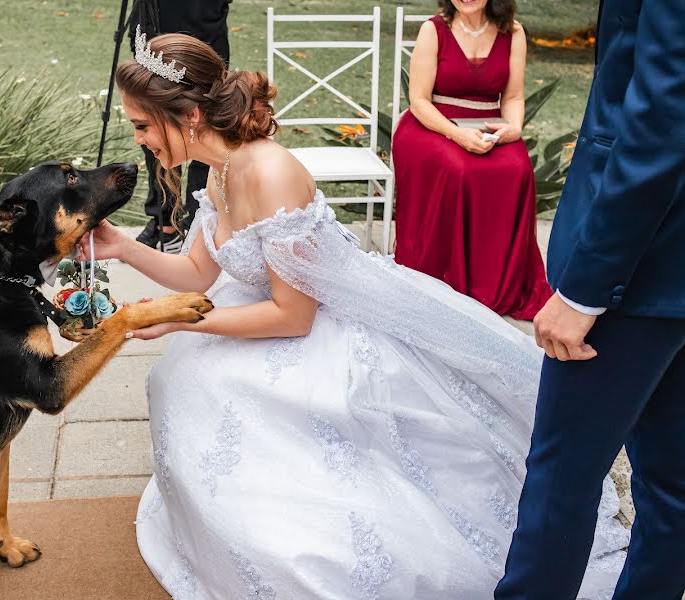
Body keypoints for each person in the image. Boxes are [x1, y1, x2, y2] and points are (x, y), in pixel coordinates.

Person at [80, 30, 629, 598]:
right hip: (271, 309)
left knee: (214, 389)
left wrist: (181, 320)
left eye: (142, 125)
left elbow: (293, 316)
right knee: (182, 379)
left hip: (323, 325)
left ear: (189, 116)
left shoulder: (269, 172)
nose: (140, 140)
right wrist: (122, 245)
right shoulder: (218, 171)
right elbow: (199, 273)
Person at [496, 0, 685, 597]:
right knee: (674, 485)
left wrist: (586, 289)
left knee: (563, 476)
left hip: (641, 264)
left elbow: (662, 120)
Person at [391, 0, 552, 321]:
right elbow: (419, 101)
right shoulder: (433, 30)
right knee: (459, 168)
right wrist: (455, 134)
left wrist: (514, 127)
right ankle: (446, 280)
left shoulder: (513, 33)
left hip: (489, 122)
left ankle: (497, 283)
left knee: (517, 168)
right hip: (432, 124)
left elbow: (514, 97)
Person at [128, 0, 232, 252]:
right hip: (154, 25)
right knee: (153, 128)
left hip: (203, 26)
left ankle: (199, 219)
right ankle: (165, 220)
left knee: (203, 125)